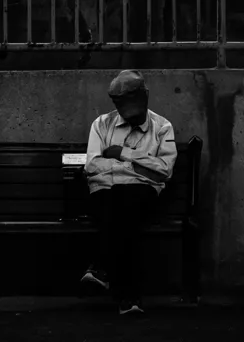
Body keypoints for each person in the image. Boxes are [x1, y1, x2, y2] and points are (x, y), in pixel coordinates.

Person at [80, 70, 177, 315]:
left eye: (130, 102)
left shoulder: (162, 127)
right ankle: (130, 299)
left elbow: (164, 171)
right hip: (105, 193)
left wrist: (124, 154)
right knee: (125, 219)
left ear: (144, 96)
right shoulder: (101, 124)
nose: (124, 109)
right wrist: (137, 168)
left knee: (126, 207)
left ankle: (102, 267)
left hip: (142, 195)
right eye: (119, 104)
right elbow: (91, 166)